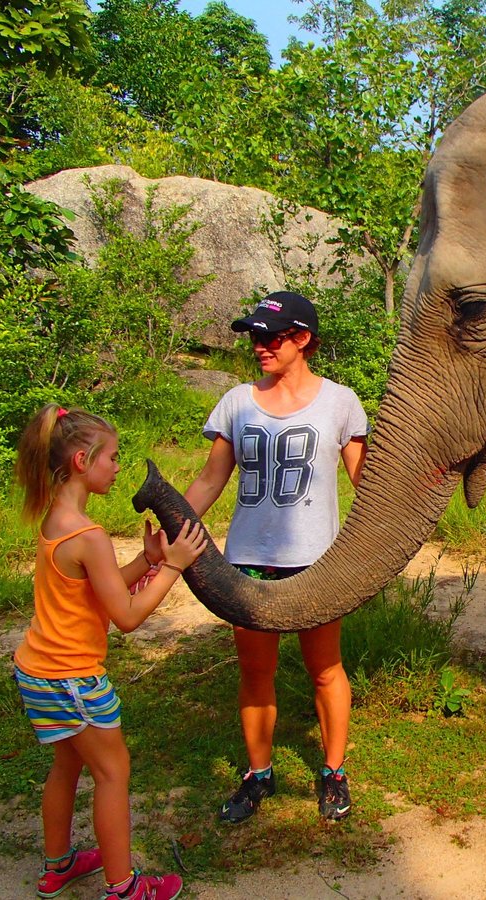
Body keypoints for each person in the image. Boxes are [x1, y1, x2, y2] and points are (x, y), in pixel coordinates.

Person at [183, 290, 368, 824]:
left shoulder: (340, 402)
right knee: (254, 670)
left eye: (269, 337)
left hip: (318, 563)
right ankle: (257, 775)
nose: (258, 347)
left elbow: (367, 484)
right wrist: (174, 526)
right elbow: (210, 479)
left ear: (302, 339)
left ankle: (333, 773)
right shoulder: (237, 402)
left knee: (325, 667)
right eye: (253, 337)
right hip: (247, 561)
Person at [12, 404, 207, 900]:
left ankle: (59, 866)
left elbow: (96, 594)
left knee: (66, 766)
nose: (118, 467)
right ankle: (124, 888)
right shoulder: (90, 536)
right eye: (113, 458)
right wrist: (174, 568)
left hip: (38, 671)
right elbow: (126, 616)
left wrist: (146, 559)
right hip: (72, 677)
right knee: (112, 772)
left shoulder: (58, 519)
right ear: (82, 460)